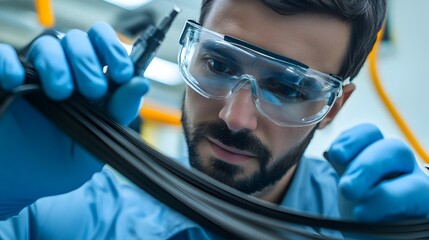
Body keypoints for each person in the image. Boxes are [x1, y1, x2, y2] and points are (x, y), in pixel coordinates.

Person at [1, 0, 429, 238]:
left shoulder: (368, 227)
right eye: (219, 66)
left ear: (332, 107)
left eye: (289, 89)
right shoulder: (65, 212)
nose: (236, 117)